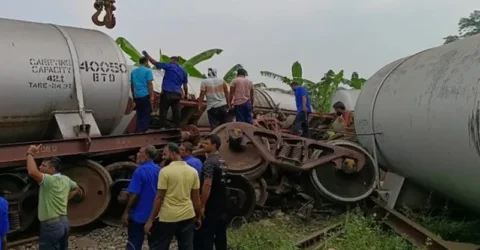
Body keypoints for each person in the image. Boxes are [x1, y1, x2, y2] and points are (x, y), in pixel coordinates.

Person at [144, 143, 202, 250]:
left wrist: (151, 220)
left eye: (165, 154)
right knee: (186, 247)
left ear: (174, 154)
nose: (163, 157)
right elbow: (196, 197)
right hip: (187, 216)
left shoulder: (165, 172)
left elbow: (159, 198)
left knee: (160, 246)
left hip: (168, 217)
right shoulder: (193, 172)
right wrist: (198, 216)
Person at [26, 145, 79, 250]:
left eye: (43, 166)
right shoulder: (66, 179)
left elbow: (32, 171)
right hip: (64, 223)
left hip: (51, 226)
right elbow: (76, 188)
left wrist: (30, 153)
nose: (40, 167)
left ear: (52, 169)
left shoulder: (49, 181)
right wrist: (65, 199)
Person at [122, 145, 161, 250]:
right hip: (155, 215)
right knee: (155, 245)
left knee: (134, 243)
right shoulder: (159, 170)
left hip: (139, 215)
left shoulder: (139, 171)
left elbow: (134, 194)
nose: (137, 154)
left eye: (140, 152)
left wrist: (126, 212)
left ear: (147, 155)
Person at [194, 134, 228, 250]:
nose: (202, 145)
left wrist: (202, 205)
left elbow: (207, 184)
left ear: (214, 145)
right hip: (222, 204)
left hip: (211, 205)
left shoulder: (209, 162)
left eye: (206, 143)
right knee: (221, 236)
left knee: (206, 236)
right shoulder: (223, 161)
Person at [142, 51, 189, 129]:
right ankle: (177, 127)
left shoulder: (169, 66)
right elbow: (185, 86)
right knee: (176, 111)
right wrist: (186, 95)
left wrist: (147, 56)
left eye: (170, 60)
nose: (170, 61)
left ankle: (162, 127)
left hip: (167, 92)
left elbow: (155, 63)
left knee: (163, 110)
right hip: (177, 94)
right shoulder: (184, 71)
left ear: (173, 60)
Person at [131, 56, 155, 133]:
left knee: (139, 113)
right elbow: (149, 84)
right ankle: (143, 130)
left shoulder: (133, 72)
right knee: (146, 113)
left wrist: (133, 95)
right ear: (146, 62)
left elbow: (132, 85)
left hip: (137, 95)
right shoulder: (148, 71)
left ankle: (139, 129)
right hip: (145, 94)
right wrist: (152, 96)